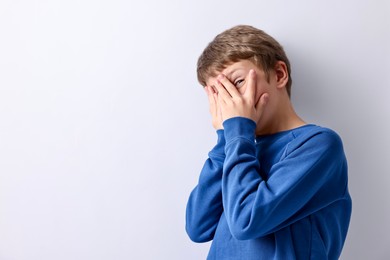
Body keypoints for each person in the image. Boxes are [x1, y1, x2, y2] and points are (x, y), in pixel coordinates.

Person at [185, 25, 352, 259]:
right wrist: (226, 140)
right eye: (218, 93)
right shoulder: (237, 148)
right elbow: (198, 226)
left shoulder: (319, 145)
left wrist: (238, 132)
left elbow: (247, 221)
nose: (230, 101)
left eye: (238, 82)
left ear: (279, 74)